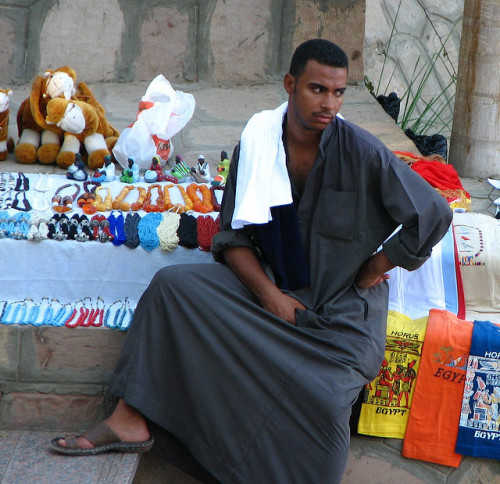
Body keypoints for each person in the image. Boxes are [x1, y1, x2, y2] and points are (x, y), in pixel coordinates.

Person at [50, 39, 452, 483]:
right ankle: (129, 416)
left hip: (337, 322)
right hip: (270, 299)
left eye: (338, 93)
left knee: (322, 418)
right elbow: (233, 238)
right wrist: (270, 296)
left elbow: (433, 213)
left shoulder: (361, 151)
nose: (329, 104)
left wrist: (379, 264)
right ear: (290, 85)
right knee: (173, 289)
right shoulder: (259, 143)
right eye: (318, 89)